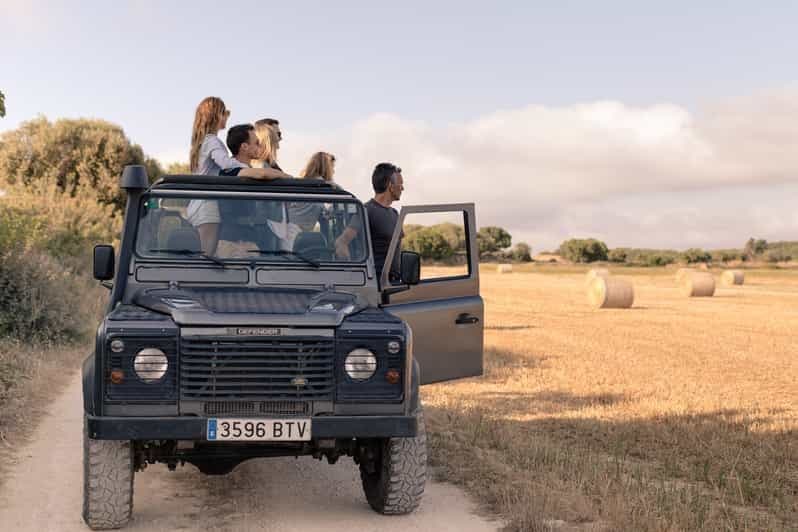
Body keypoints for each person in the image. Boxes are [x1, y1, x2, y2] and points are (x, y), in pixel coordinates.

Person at [187, 124, 289, 254]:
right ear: (244, 147)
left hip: (249, 241)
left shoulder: (243, 169)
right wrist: (286, 177)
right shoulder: (229, 170)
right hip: (232, 243)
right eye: (256, 143)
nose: (260, 147)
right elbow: (262, 174)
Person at [335, 162, 404, 280]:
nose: (402, 188)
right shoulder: (366, 211)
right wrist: (352, 275)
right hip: (376, 287)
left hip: (393, 285)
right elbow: (341, 243)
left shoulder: (395, 214)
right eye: (400, 184)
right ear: (390, 185)